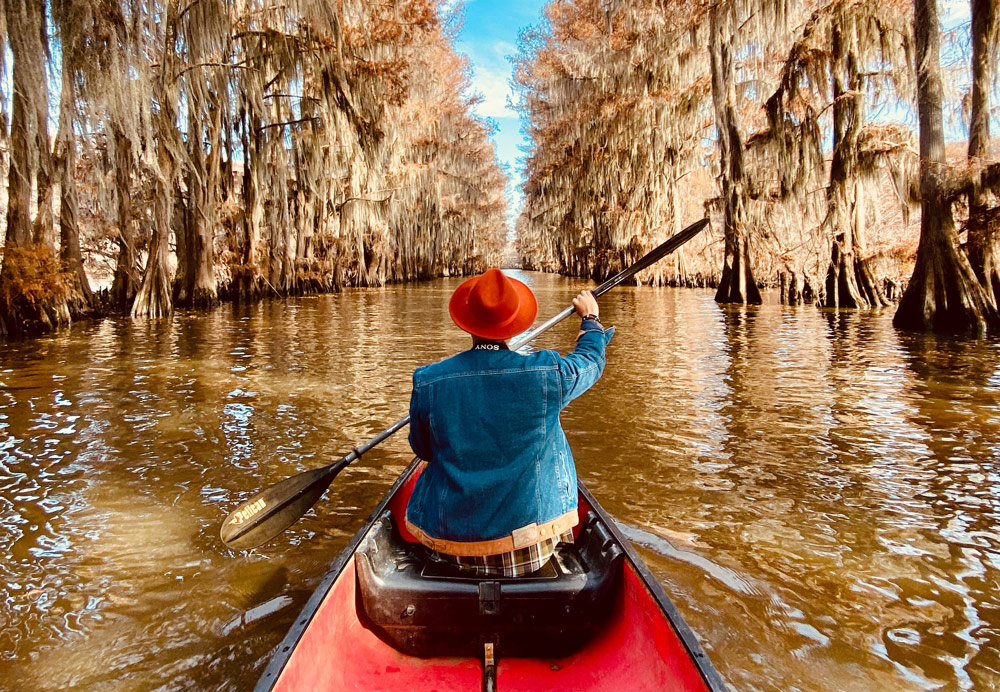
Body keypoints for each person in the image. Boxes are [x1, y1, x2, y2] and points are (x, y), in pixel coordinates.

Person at [405, 268, 614, 577]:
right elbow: (590, 361)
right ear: (513, 327)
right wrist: (591, 321)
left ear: (468, 323)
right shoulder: (547, 373)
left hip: (450, 547)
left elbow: (423, 450)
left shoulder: (429, 380)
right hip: (529, 550)